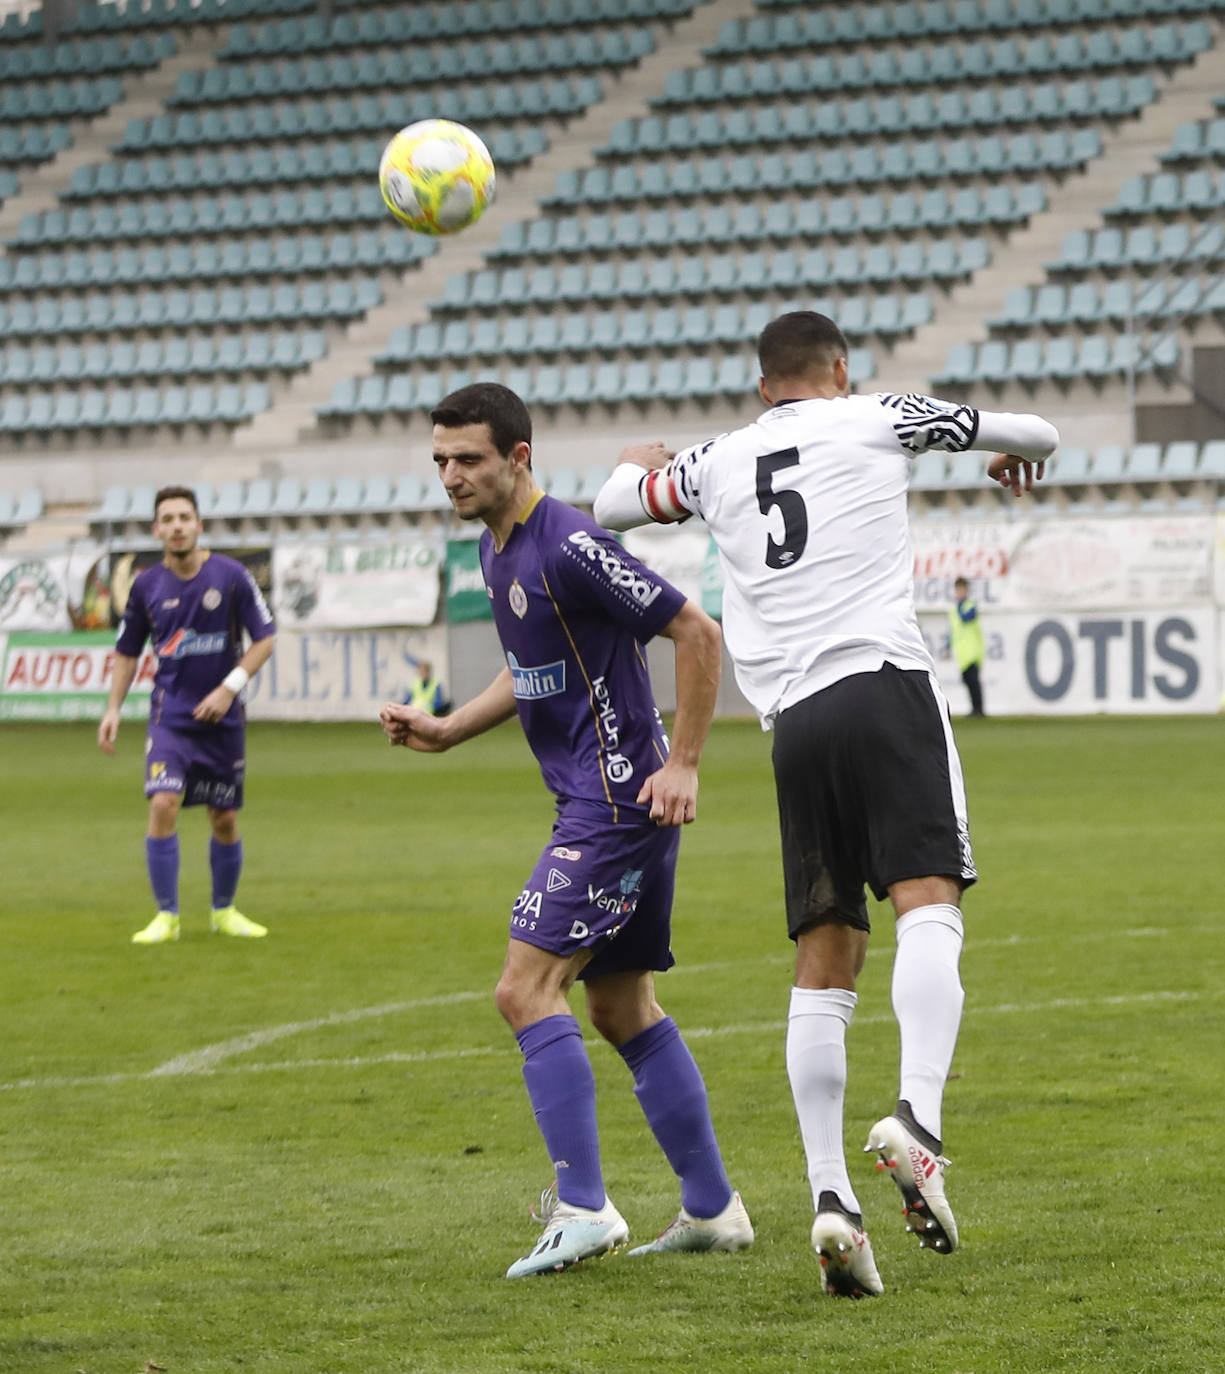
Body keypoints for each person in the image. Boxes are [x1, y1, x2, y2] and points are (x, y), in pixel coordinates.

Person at [594, 311, 1057, 1297]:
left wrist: (635, 467)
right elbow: (1036, 433)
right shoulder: (876, 417)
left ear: (763, 384)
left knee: (824, 948)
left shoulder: (717, 461)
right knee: (928, 903)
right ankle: (918, 1126)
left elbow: (610, 504)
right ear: (838, 370)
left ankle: (831, 1197)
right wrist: (1007, 463)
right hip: (882, 683)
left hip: (792, 723)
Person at [379, 382, 752, 1278]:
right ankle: (713, 1210)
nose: (450, 475)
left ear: (518, 457)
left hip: (618, 802)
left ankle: (584, 1207)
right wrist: (447, 730)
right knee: (621, 1007)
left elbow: (694, 632)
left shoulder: (573, 543)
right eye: (439, 460)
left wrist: (685, 762)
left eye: (467, 459)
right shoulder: (494, 548)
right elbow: (529, 670)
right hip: (602, 802)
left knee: (523, 989)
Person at [98, 485, 276, 944]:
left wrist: (228, 688)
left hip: (223, 720)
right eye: (168, 519)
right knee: (163, 803)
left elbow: (265, 639)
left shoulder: (232, 576)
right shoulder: (145, 586)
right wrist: (113, 708)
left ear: (199, 525)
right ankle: (167, 916)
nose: (177, 526)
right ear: (157, 530)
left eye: (184, 517)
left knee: (223, 817)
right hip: (170, 718)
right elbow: (126, 652)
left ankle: (224, 910)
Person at [948, 577, 986, 717]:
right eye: (958, 589)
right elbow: (953, 630)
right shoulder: (953, 610)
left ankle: (979, 709)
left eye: (962, 589)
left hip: (973, 650)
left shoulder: (970, 605)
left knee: (973, 680)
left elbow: (966, 618)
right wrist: (948, 647)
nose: (960, 592)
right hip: (962, 652)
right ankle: (974, 708)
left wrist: (959, 605)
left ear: (967, 590)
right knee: (967, 680)